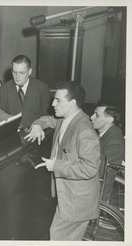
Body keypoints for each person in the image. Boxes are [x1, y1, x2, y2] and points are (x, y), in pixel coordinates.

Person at [25, 81, 100, 241]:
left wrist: (55, 165)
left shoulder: (84, 129)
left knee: (58, 237)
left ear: (72, 103)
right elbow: (48, 120)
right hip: (69, 197)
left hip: (77, 202)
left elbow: (90, 168)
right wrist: (37, 125)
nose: (53, 104)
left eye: (58, 100)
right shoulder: (66, 119)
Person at [0, 55, 50, 130]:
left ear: (29, 71)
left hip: (35, 133)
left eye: (22, 73)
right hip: (13, 134)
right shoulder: (4, 89)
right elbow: (0, 117)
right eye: (14, 72)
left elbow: (47, 116)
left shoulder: (42, 88)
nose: (17, 76)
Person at [90, 103, 125, 202]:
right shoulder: (104, 132)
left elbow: (99, 172)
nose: (91, 117)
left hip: (97, 191)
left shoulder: (114, 142)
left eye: (97, 115)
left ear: (109, 120)